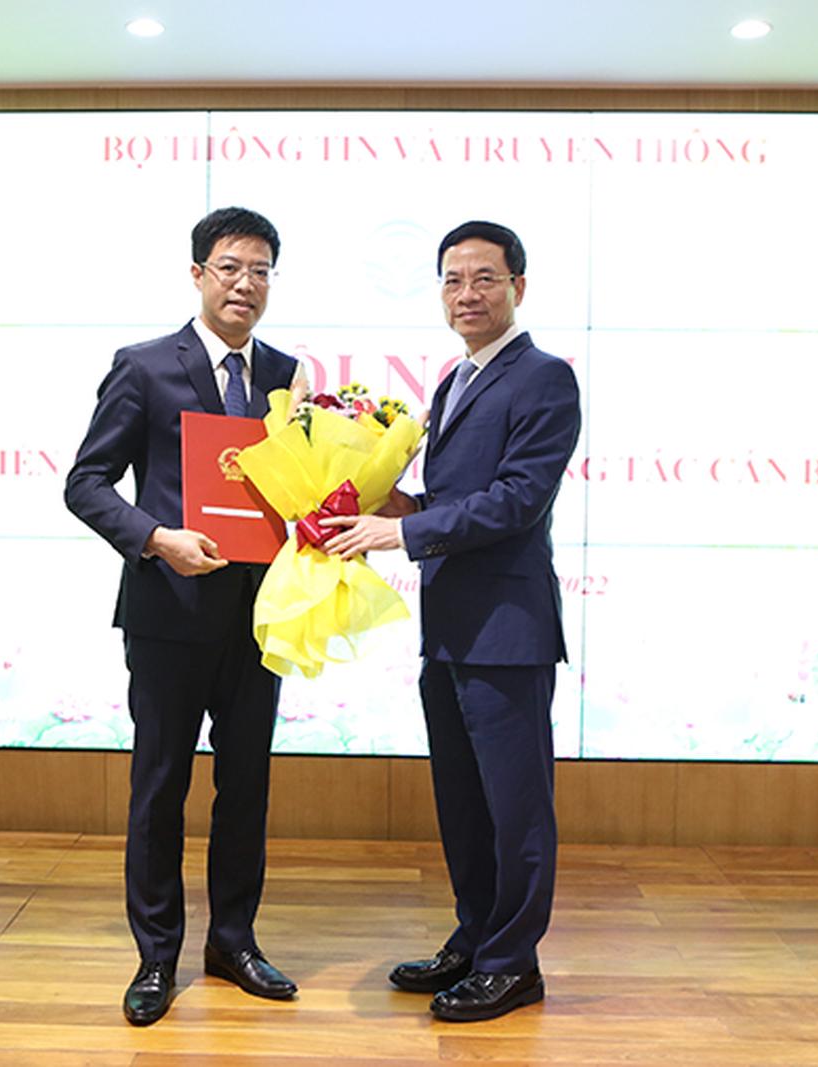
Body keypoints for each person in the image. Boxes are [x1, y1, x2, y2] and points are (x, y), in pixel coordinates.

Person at [321, 220, 580, 1022]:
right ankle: (475, 937)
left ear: (518, 287)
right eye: (452, 280)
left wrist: (399, 533)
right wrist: (394, 504)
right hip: (449, 629)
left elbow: (516, 501)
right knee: (464, 803)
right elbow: (455, 500)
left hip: (508, 629)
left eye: (484, 278)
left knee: (516, 807)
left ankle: (512, 962)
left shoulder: (544, 378)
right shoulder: (454, 379)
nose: (467, 294)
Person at [64, 207, 302, 1026]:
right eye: (231, 267)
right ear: (198, 274)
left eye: (261, 270)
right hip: (169, 612)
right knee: (160, 785)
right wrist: (156, 538)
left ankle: (233, 941)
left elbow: (295, 485)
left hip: (260, 616)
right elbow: (86, 482)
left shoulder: (287, 375)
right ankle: (156, 954)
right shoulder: (144, 367)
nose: (246, 284)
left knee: (247, 787)